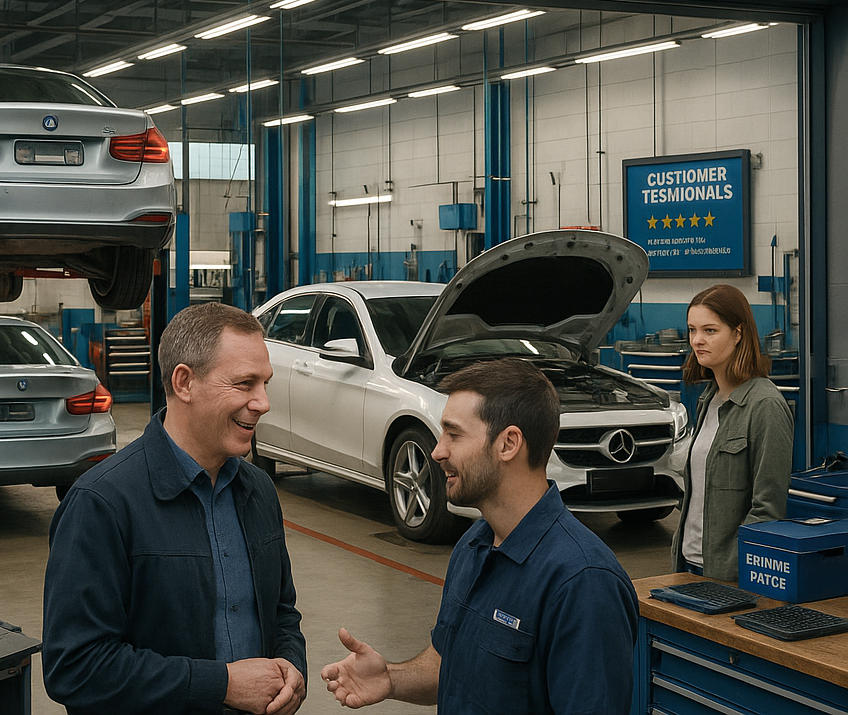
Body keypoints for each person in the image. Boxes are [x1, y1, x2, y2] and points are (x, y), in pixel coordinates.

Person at [320, 358, 638, 715]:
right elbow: (449, 664)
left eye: (453, 434)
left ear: (508, 444)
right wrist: (390, 679)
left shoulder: (583, 582)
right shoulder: (475, 544)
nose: (438, 451)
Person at [42, 302, 307, 715]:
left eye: (265, 384)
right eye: (244, 384)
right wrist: (221, 685)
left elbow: (281, 612)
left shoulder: (257, 490)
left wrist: (291, 668)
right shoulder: (102, 504)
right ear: (184, 383)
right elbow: (75, 667)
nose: (263, 402)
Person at [672, 283, 794, 581]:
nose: (697, 340)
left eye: (710, 331)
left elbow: (767, 510)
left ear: (738, 333)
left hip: (729, 575)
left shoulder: (764, 405)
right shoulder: (708, 400)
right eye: (692, 330)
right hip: (688, 563)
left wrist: (739, 568)